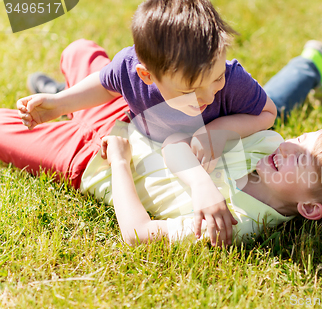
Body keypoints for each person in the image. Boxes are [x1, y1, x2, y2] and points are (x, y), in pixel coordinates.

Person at [12, 0, 281, 247]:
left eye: (216, 78)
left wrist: (220, 130)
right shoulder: (129, 69)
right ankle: (57, 89)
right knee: (79, 50)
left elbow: (268, 112)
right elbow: (107, 85)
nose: (210, 96)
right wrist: (59, 103)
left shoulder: (233, 81)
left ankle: (57, 89)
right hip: (125, 120)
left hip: (136, 140)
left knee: (82, 58)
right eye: (191, 91)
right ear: (147, 76)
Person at [89, 122, 322, 246]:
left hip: (91, 163)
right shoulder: (266, 143)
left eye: (300, 160)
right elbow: (175, 142)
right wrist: (201, 185)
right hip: (129, 119)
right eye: (300, 139)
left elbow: (139, 234)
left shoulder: (237, 224)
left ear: (310, 207)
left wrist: (118, 162)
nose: (287, 147)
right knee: (82, 52)